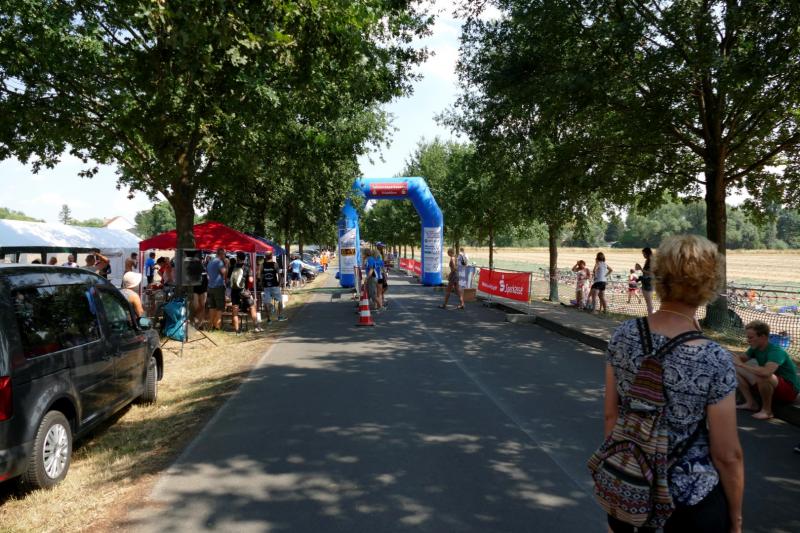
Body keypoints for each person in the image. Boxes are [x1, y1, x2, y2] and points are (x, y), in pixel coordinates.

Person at [599, 234, 743, 532]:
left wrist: (621, 478)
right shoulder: (714, 358)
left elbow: (611, 416)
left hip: (632, 487)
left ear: (659, 276)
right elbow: (727, 454)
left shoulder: (624, 334)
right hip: (690, 500)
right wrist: (736, 518)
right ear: (710, 283)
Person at [734, 320, 800, 420]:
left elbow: (766, 372)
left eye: (751, 337)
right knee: (736, 369)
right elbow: (739, 360)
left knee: (763, 375)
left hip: (789, 391)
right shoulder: (755, 348)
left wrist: (742, 365)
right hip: (772, 385)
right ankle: (751, 403)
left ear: (763, 337)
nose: (748, 340)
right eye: (748, 337)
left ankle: (767, 411)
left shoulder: (776, 351)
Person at [230, 252, 262, 334]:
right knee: (252, 307)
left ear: (237, 258)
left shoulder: (232, 267)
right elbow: (251, 280)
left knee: (235, 310)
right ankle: (256, 327)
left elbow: (227, 280)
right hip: (244, 291)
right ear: (244, 259)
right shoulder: (247, 267)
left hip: (234, 291)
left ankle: (237, 331)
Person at [261, 252, 287, 322]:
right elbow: (279, 275)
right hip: (275, 285)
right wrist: (280, 283)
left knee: (267, 302)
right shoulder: (275, 264)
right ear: (271, 256)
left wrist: (262, 284)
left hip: (266, 286)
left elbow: (261, 276)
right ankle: (280, 316)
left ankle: (269, 319)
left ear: (265, 257)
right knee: (280, 300)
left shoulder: (262, 265)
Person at [206, 248, 227, 331]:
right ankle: (217, 326)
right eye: (224, 254)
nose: (225, 256)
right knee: (220, 307)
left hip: (210, 287)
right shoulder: (219, 262)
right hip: (218, 287)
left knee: (212, 307)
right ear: (221, 254)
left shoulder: (210, 262)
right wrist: (226, 264)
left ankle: (211, 325)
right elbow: (224, 272)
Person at [192, 255, 209, 329]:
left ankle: (200, 323)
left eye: (201, 259)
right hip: (195, 289)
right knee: (196, 306)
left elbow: (208, 278)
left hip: (203, 289)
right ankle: (195, 320)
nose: (200, 261)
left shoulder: (205, 268)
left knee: (202, 306)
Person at [637, 247, 655, 315]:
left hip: (648, 283)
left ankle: (651, 317)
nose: (643, 255)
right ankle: (651, 316)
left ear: (647, 253)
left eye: (644, 254)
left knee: (649, 303)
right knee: (649, 303)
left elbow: (651, 273)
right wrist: (641, 269)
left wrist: (641, 269)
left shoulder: (652, 261)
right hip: (646, 283)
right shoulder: (648, 261)